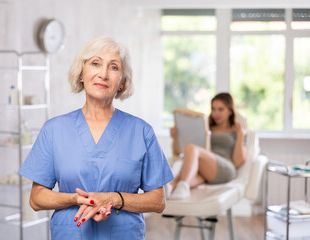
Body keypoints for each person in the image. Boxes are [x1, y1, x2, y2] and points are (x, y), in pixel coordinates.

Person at [19, 36, 174, 239]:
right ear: (82, 74)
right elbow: (36, 199)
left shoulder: (141, 131)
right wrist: (77, 199)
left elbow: (158, 201)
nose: (103, 74)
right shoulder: (54, 130)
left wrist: (113, 199)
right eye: (95, 63)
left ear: (122, 83)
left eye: (114, 67)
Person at [167, 93, 247, 200]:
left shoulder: (237, 131)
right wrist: (176, 137)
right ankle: (170, 187)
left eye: (220, 109)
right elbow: (181, 152)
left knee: (191, 148)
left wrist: (240, 135)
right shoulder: (206, 128)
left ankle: (180, 184)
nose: (216, 113)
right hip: (206, 170)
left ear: (230, 111)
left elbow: (238, 161)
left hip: (225, 169)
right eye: (213, 109)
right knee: (190, 153)